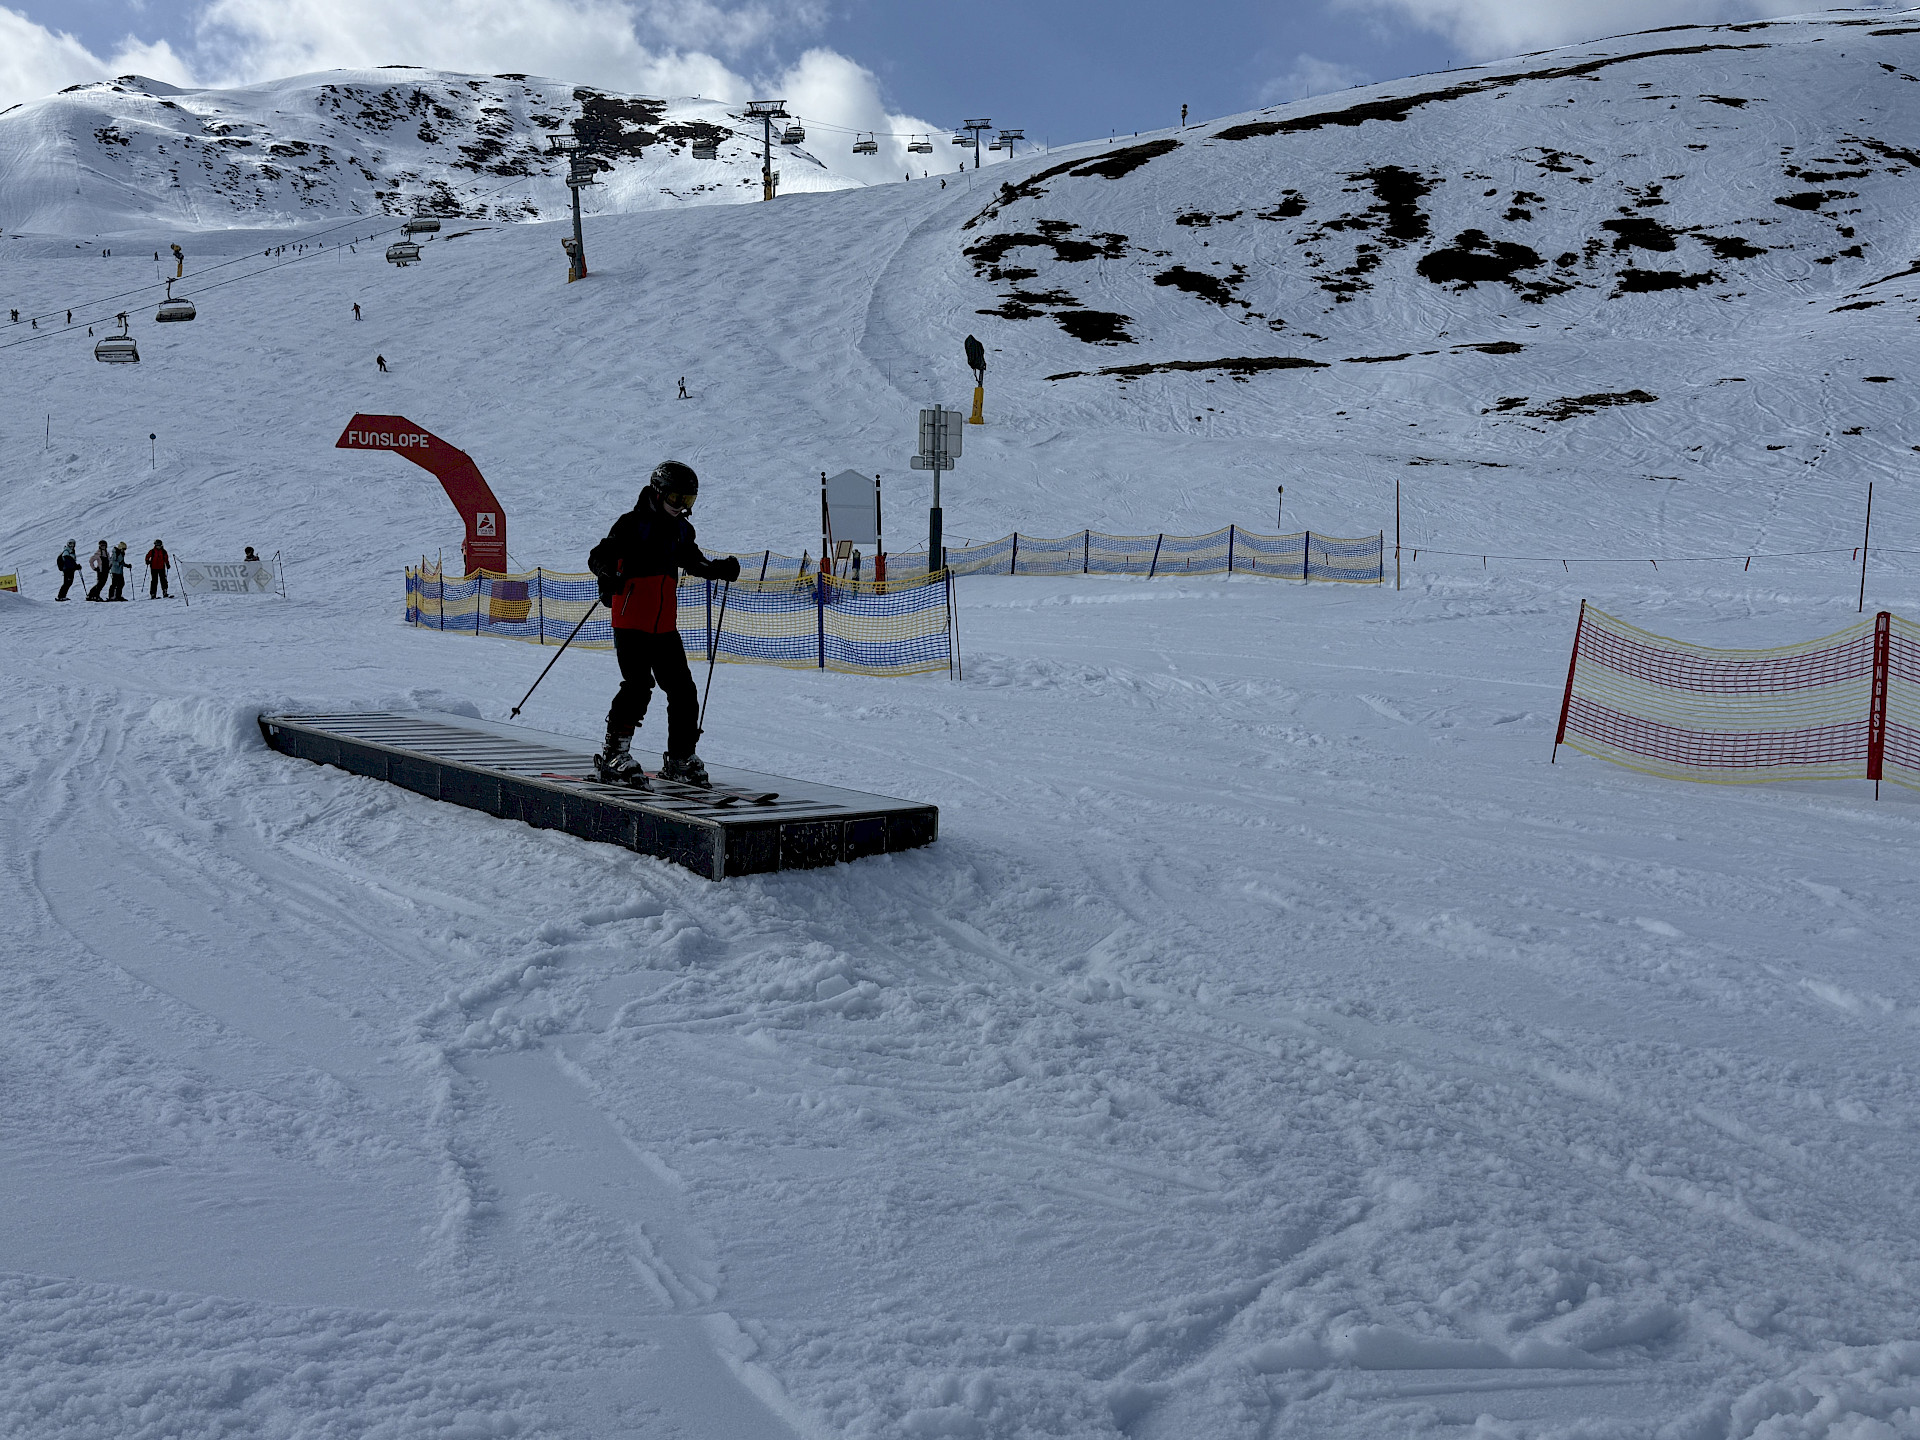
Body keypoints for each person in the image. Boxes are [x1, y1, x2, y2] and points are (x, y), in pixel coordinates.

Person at [586, 461, 740, 789]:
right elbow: (598, 555)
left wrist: (719, 569)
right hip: (631, 620)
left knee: (683, 690)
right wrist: (607, 574)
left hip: (664, 625)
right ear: (658, 493)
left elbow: (693, 561)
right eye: (675, 498)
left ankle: (681, 758)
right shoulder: (632, 524)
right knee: (638, 686)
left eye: (688, 500)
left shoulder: (681, 530)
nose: (681, 506)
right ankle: (614, 756)